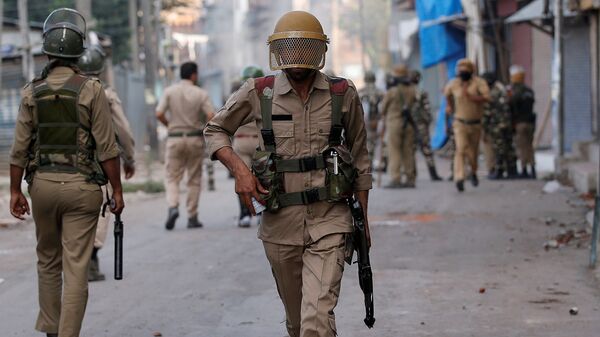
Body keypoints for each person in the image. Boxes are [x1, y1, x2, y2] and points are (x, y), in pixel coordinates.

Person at [204, 11, 372, 337]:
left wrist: (362, 221)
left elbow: (362, 159)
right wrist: (240, 171)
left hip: (331, 220)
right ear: (278, 51)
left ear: (318, 51)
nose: (296, 57)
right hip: (280, 226)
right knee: (297, 323)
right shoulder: (259, 92)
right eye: (290, 48)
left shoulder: (342, 93)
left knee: (316, 320)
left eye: (303, 48)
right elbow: (214, 130)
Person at [8, 8, 124, 337]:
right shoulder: (91, 89)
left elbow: (19, 148)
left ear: (46, 51)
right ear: (79, 53)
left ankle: (50, 330)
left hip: (42, 186)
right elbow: (107, 147)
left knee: (47, 260)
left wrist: (15, 191)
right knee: (76, 267)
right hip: (83, 188)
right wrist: (116, 191)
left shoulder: (31, 91)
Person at [77, 45, 136, 281]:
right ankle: (90, 260)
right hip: (100, 163)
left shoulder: (68, 91)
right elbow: (122, 129)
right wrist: (129, 158)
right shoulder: (106, 93)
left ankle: (75, 260)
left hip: (66, 164)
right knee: (101, 209)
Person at [156, 61, 215, 230]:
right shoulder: (201, 93)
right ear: (194, 75)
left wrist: (169, 126)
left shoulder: (169, 91)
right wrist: (204, 129)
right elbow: (211, 115)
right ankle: (192, 216)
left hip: (174, 138)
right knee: (194, 179)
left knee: (172, 177)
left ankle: (173, 206)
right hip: (195, 139)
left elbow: (159, 113)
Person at [444, 59, 490, 192]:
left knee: (473, 153)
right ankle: (459, 177)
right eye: (460, 70)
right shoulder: (454, 84)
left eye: (465, 70)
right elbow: (447, 95)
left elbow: (487, 97)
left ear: (471, 71)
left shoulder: (479, 83)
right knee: (460, 149)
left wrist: (471, 97)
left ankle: (473, 171)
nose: (462, 73)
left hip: (475, 123)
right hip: (460, 123)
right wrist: (449, 107)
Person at [232, 66, 263, 227]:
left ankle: (244, 215)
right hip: (260, 142)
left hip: (241, 141)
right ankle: (261, 212)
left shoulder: (237, 97)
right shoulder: (268, 97)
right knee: (263, 178)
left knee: (242, 178)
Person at [381, 64, 417, 188]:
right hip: (409, 124)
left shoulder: (392, 91)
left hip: (394, 123)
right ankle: (410, 178)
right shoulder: (412, 89)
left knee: (394, 150)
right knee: (408, 151)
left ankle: (396, 178)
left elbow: (382, 108)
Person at [481, 72, 518, 179]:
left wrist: (484, 127)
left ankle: (499, 171)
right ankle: (512, 170)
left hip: (497, 125)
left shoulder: (492, 93)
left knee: (499, 148)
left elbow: (487, 112)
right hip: (507, 123)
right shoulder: (503, 90)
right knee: (509, 147)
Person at [410, 69, 442, 181]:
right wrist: (428, 121)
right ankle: (433, 174)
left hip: (410, 124)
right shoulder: (421, 92)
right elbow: (427, 109)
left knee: (411, 150)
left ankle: (412, 175)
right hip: (421, 124)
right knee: (427, 149)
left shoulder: (406, 92)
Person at [507, 65, 536, 179]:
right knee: (529, 146)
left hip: (520, 122)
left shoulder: (514, 91)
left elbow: (511, 105)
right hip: (530, 122)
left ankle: (524, 170)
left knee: (522, 146)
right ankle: (533, 169)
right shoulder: (529, 91)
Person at [358, 70, 384, 168]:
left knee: (368, 144)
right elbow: (383, 107)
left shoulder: (360, 92)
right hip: (378, 121)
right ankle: (383, 162)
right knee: (381, 143)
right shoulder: (380, 92)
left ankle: (369, 166)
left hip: (364, 121)